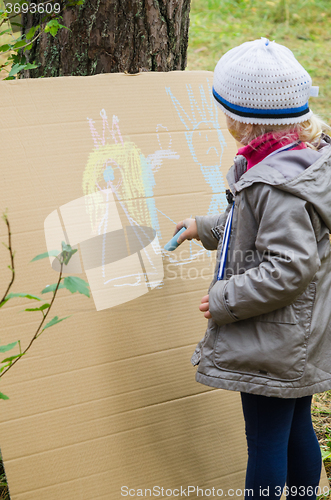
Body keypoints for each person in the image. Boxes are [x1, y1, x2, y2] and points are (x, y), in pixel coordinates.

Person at [173, 38, 331, 499]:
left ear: (239, 119)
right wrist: (204, 227)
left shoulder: (274, 184)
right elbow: (259, 227)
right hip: (300, 331)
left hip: (274, 337)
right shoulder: (301, 159)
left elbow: (288, 265)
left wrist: (226, 299)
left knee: (265, 439)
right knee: (295, 424)